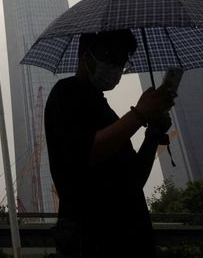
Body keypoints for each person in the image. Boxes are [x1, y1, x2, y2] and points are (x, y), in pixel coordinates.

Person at [45, 29, 176, 257]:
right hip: (91, 238)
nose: (116, 67)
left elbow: (133, 180)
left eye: (122, 61)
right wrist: (139, 114)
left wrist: (153, 133)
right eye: (111, 57)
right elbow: (85, 152)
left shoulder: (105, 109)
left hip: (132, 237)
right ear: (87, 56)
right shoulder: (66, 93)